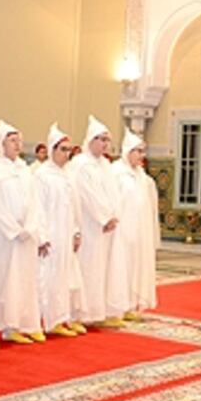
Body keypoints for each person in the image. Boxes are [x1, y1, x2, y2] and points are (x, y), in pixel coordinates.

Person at [0, 120, 45, 344]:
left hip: (24, 236)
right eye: (12, 140)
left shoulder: (24, 169)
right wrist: (12, 229)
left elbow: (34, 201)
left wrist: (29, 227)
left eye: (19, 140)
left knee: (21, 281)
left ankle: (15, 325)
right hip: (2, 237)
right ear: (1, 143)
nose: (18, 144)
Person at [69, 116, 128, 328]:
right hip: (89, 225)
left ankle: (97, 311)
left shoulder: (105, 164)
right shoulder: (80, 165)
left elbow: (112, 194)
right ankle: (80, 314)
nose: (105, 144)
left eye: (107, 140)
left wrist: (113, 216)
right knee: (87, 268)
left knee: (102, 269)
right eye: (101, 139)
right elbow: (87, 194)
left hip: (106, 227)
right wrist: (104, 216)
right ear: (91, 140)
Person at [34, 124, 86, 336]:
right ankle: (44, 319)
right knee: (47, 278)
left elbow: (73, 208)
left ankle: (60, 318)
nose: (67, 154)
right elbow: (37, 208)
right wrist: (42, 237)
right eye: (63, 149)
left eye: (69, 150)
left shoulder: (67, 175)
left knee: (64, 277)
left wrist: (75, 232)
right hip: (50, 237)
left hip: (65, 235)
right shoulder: (41, 175)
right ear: (52, 150)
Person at [113, 130, 159, 320]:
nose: (142, 156)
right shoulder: (116, 172)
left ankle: (131, 304)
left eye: (143, 151)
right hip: (122, 231)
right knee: (121, 266)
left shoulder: (143, 177)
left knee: (136, 267)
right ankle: (118, 305)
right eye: (138, 151)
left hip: (140, 232)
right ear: (128, 151)